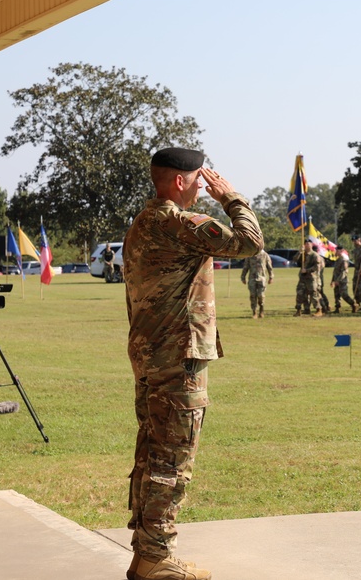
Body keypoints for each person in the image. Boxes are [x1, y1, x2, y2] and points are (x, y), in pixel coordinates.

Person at [124, 148, 262, 580]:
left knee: (151, 454)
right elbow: (249, 243)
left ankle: (147, 553)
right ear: (180, 181)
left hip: (151, 356)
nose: (205, 186)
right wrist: (232, 198)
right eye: (200, 180)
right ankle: (156, 557)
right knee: (172, 459)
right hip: (178, 357)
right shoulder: (179, 223)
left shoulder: (144, 222)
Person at [292, 239, 323, 317]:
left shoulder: (315, 255)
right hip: (302, 278)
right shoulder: (303, 254)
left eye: (308, 244)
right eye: (306, 244)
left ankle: (318, 310)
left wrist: (307, 270)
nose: (307, 245)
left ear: (311, 245)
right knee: (300, 293)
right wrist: (300, 252)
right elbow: (295, 259)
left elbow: (317, 267)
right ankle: (299, 310)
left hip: (311, 278)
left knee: (314, 294)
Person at [240, 248, 273, 318]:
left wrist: (271, 277)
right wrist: (243, 277)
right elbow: (245, 267)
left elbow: (269, 267)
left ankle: (261, 310)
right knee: (253, 295)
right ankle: (254, 312)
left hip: (262, 278)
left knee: (261, 295)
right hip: (252, 278)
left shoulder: (265, 255)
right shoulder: (249, 255)